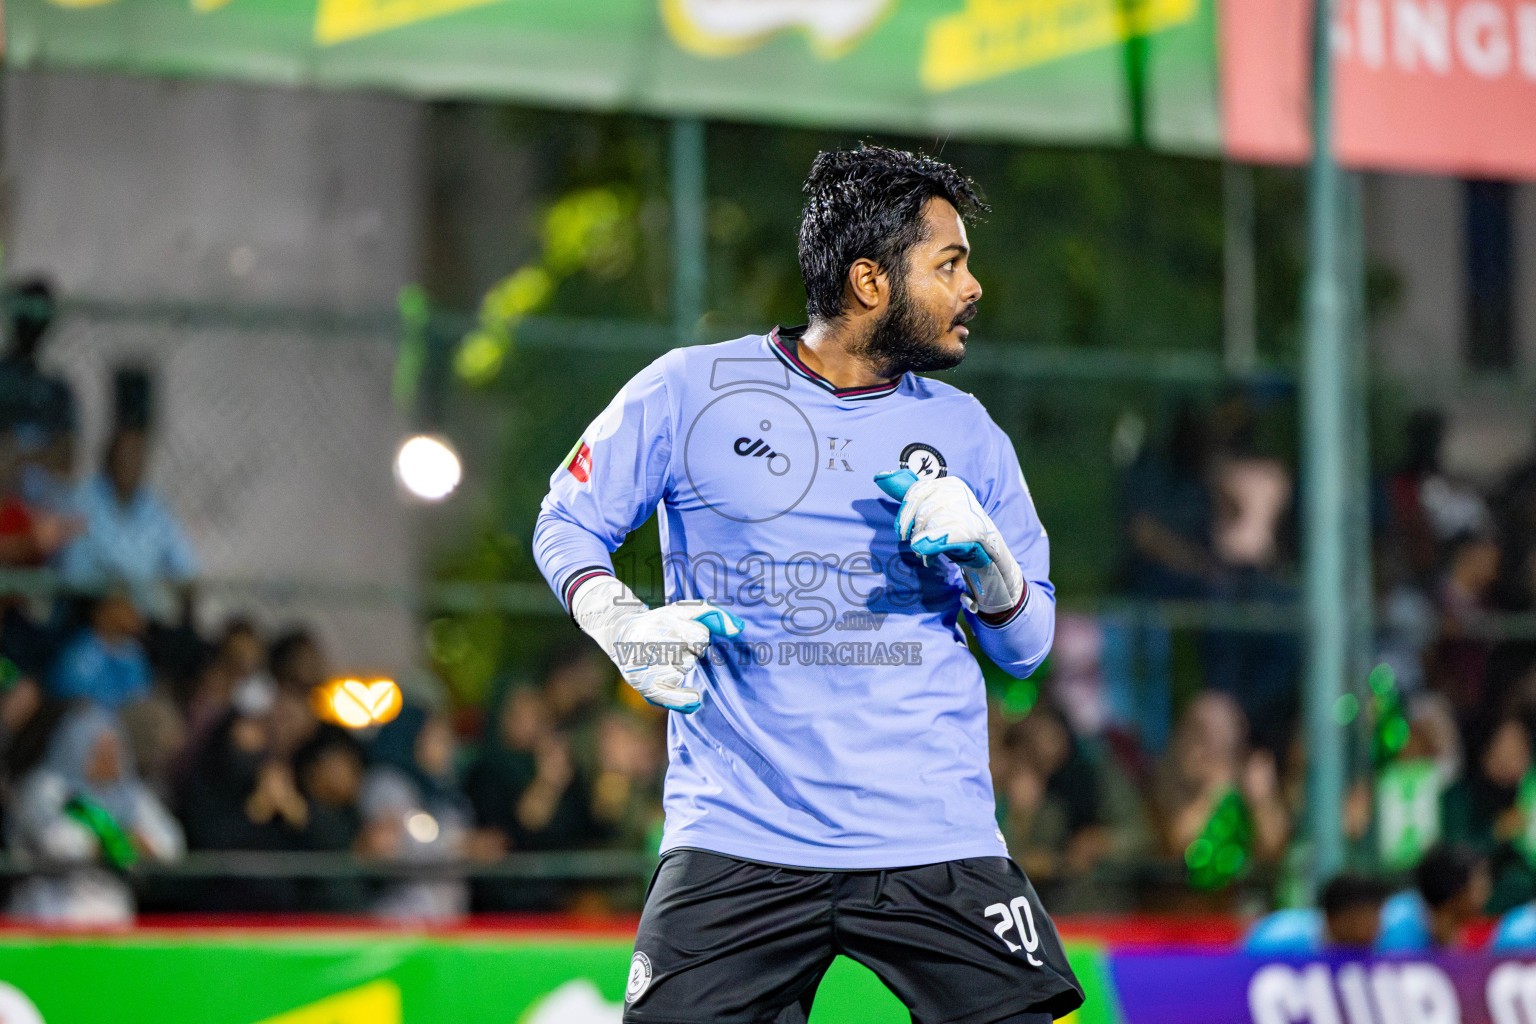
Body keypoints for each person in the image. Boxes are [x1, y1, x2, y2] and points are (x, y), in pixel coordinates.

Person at [532, 145, 1083, 1024]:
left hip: (932, 832)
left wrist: (991, 565)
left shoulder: (969, 435)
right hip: (738, 833)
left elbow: (1028, 648)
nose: (974, 286)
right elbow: (566, 521)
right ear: (871, 280)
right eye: (949, 263)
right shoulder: (689, 389)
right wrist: (619, 620)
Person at [7, 704, 183, 923]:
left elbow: (170, 845)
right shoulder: (46, 788)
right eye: (100, 750)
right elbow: (60, 845)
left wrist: (121, 843)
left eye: (115, 749)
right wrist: (123, 841)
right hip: (49, 910)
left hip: (111, 911)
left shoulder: (132, 793)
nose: (110, 759)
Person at [57, 427, 198, 619]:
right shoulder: (83, 500)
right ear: (109, 460)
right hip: (91, 611)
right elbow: (75, 571)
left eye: (136, 458)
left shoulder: (155, 507)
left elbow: (185, 566)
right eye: (124, 457)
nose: (130, 464)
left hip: (141, 614)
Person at [1376, 843, 1491, 951]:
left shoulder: (1449, 926)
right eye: (1479, 885)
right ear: (1457, 891)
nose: (1487, 891)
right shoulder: (1400, 932)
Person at [48, 592, 151, 711]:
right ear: (103, 611)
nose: (136, 615)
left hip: (125, 720)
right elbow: (66, 693)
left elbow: (142, 697)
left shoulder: (134, 652)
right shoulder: (81, 649)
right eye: (125, 607)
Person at [1243, 873, 1394, 953]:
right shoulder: (1277, 940)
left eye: (1376, 917)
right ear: (1333, 919)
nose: (1374, 926)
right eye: (1365, 919)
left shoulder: (1383, 943)